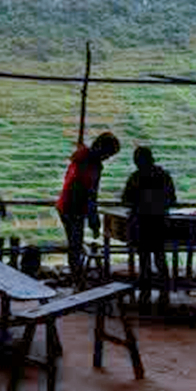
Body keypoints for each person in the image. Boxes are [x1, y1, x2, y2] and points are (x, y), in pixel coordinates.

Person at [56, 131, 120, 289]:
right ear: (102, 149)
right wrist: (94, 221)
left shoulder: (80, 157)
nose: (108, 158)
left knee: (74, 245)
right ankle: (78, 281)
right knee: (75, 246)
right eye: (108, 154)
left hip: (65, 205)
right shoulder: (92, 164)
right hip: (74, 208)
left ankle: (77, 278)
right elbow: (90, 194)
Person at [121, 146, 177, 312]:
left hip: (141, 223)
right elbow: (172, 200)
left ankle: (144, 295)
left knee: (144, 260)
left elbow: (126, 200)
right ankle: (164, 293)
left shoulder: (136, 177)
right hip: (159, 222)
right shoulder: (164, 176)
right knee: (160, 258)